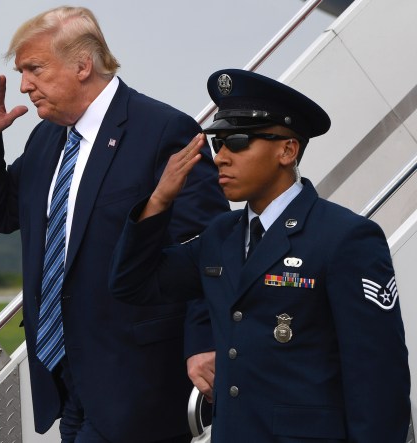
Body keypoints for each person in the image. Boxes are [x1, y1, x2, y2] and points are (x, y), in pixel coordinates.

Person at [0, 6, 229, 442]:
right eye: (21, 71)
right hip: (66, 378)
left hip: (137, 376)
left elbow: (206, 248)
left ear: (82, 65)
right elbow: (0, 215)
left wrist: (203, 341)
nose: (24, 85)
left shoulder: (161, 130)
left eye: (34, 68)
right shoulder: (48, 138)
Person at [110, 68, 411, 441]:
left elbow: (378, 375)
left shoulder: (345, 237)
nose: (221, 157)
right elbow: (132, 284)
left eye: (237, 141)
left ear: (287, 150)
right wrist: (158, 200)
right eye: (218, 143)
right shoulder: (222, 235)